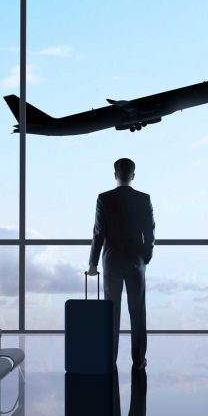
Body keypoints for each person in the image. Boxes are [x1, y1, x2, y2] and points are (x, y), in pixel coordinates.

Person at [88, 158, 155, 369]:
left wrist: (93, 263)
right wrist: (145, 257)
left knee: (111, 313)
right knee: (137, 313)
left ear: (115, 175)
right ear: (133, 175)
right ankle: (138, 361)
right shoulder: (144, 199)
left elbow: (99, 233)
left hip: (112, 262)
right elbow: (150, 231)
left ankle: (110, 358)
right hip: (136, 262)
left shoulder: (104, 199)